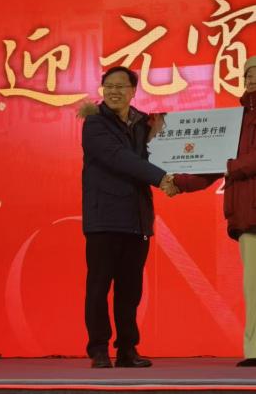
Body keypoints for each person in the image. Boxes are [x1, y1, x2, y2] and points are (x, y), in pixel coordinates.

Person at [173, 55, 256, 367]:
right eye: (249, 75)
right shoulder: (236, 118)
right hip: (245, 211)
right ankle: (255, 350)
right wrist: (180, 182)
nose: (254, 80)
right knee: (253, 285)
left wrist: (236, 166)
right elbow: (216, 160)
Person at [79, 65, 177, 369]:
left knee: (130, 290)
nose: (114, 91)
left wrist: (168, 136)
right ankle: (98, 349)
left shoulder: (143, 124)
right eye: (109, 86)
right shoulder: (94, 123)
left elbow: (161, 152)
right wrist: (162, 178)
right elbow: (119, 158)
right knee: (99, 287)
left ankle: (127, 349)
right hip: (104, 219)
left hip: (137, 220)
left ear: (133, 91)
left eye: (121, 86)